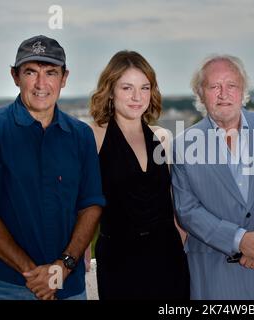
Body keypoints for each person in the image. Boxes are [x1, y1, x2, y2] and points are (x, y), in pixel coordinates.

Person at [171, 54, 254, 299]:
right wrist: (239, 240)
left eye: (231, 85)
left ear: (243, 89)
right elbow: (187, 210)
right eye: (214, 86)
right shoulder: (183, 145)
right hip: (217, 278)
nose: (224, 94)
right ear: (200, 93)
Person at [0, 35, 105, 300]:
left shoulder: (81, 135)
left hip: (69, 287)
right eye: (30, 72)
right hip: (6, 287)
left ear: (64, 78)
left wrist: (63, 267)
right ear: (15, 76)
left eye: (51, 72)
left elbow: (91, 204)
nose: (41, 84)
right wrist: (32, 274)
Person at [89, 50, 190, 300]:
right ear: (110, 90)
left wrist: (181, 236)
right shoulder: (94, 137)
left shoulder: (162, 137)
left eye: (144, 88)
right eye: (127, 88)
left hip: (168, 256)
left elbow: (172, 199)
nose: (137, 97)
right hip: (119, 259)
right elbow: (80, 202)